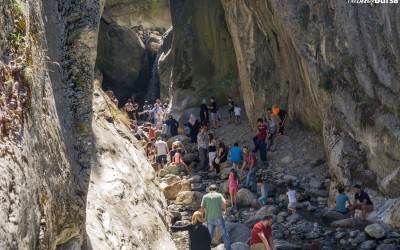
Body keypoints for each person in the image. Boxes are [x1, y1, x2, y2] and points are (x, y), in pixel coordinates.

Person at [200, 184, 231, 250]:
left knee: (209, 236)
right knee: (224, 234)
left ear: (209, 190)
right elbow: (225, 203)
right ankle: (228, 249)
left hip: (209, 219)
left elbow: (202, 208)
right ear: (216, 190)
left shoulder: (205, 196)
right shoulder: (219, 195)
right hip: (218, 218)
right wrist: (225, 211)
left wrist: (201, 218)